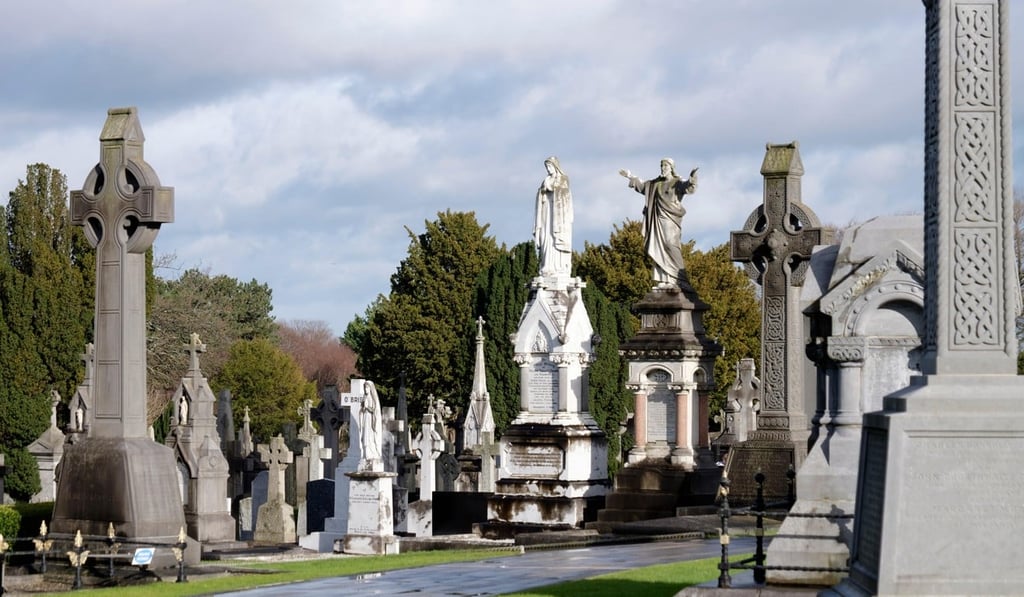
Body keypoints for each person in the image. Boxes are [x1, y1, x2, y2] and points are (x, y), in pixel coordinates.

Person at [619, 159, 699, 287]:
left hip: (670, 219)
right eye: (661, 165)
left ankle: (680, 279)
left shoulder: (676, 182)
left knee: (671, 244)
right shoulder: (655, 184)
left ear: (671, 167)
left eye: (665, 165)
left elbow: (688, 187)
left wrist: (693, 178)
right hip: (657, 219)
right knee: (659, 246)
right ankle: (665, 279)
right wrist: (629, 176)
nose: (663, 168)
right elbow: (643, 186)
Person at [534, 156, 573, 276]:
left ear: (556, 166)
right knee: (547, 238)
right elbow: (540, 195)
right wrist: (542, 192)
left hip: (558, 216)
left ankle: (559, 267)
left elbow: (565, 194)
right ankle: (547, 266)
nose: (548, 169)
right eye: (547, 167)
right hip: (547, 212)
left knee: (555, 239)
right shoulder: (545, 180)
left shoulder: (563, 179)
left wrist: (551, 188)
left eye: (550, 166)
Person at [359, 380, 384, 471]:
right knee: (365, 437)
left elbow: (375, 411)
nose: (366, 389)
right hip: (365, 420)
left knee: (370, 438)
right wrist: (362, 408)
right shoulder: (364, 398)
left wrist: (368, 408)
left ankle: (372, 454)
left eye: (367, 387)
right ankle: (366, 455)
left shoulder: (373, 399)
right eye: (365, 387)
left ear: (371, 389)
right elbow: (361, 411)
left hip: (371, 422)